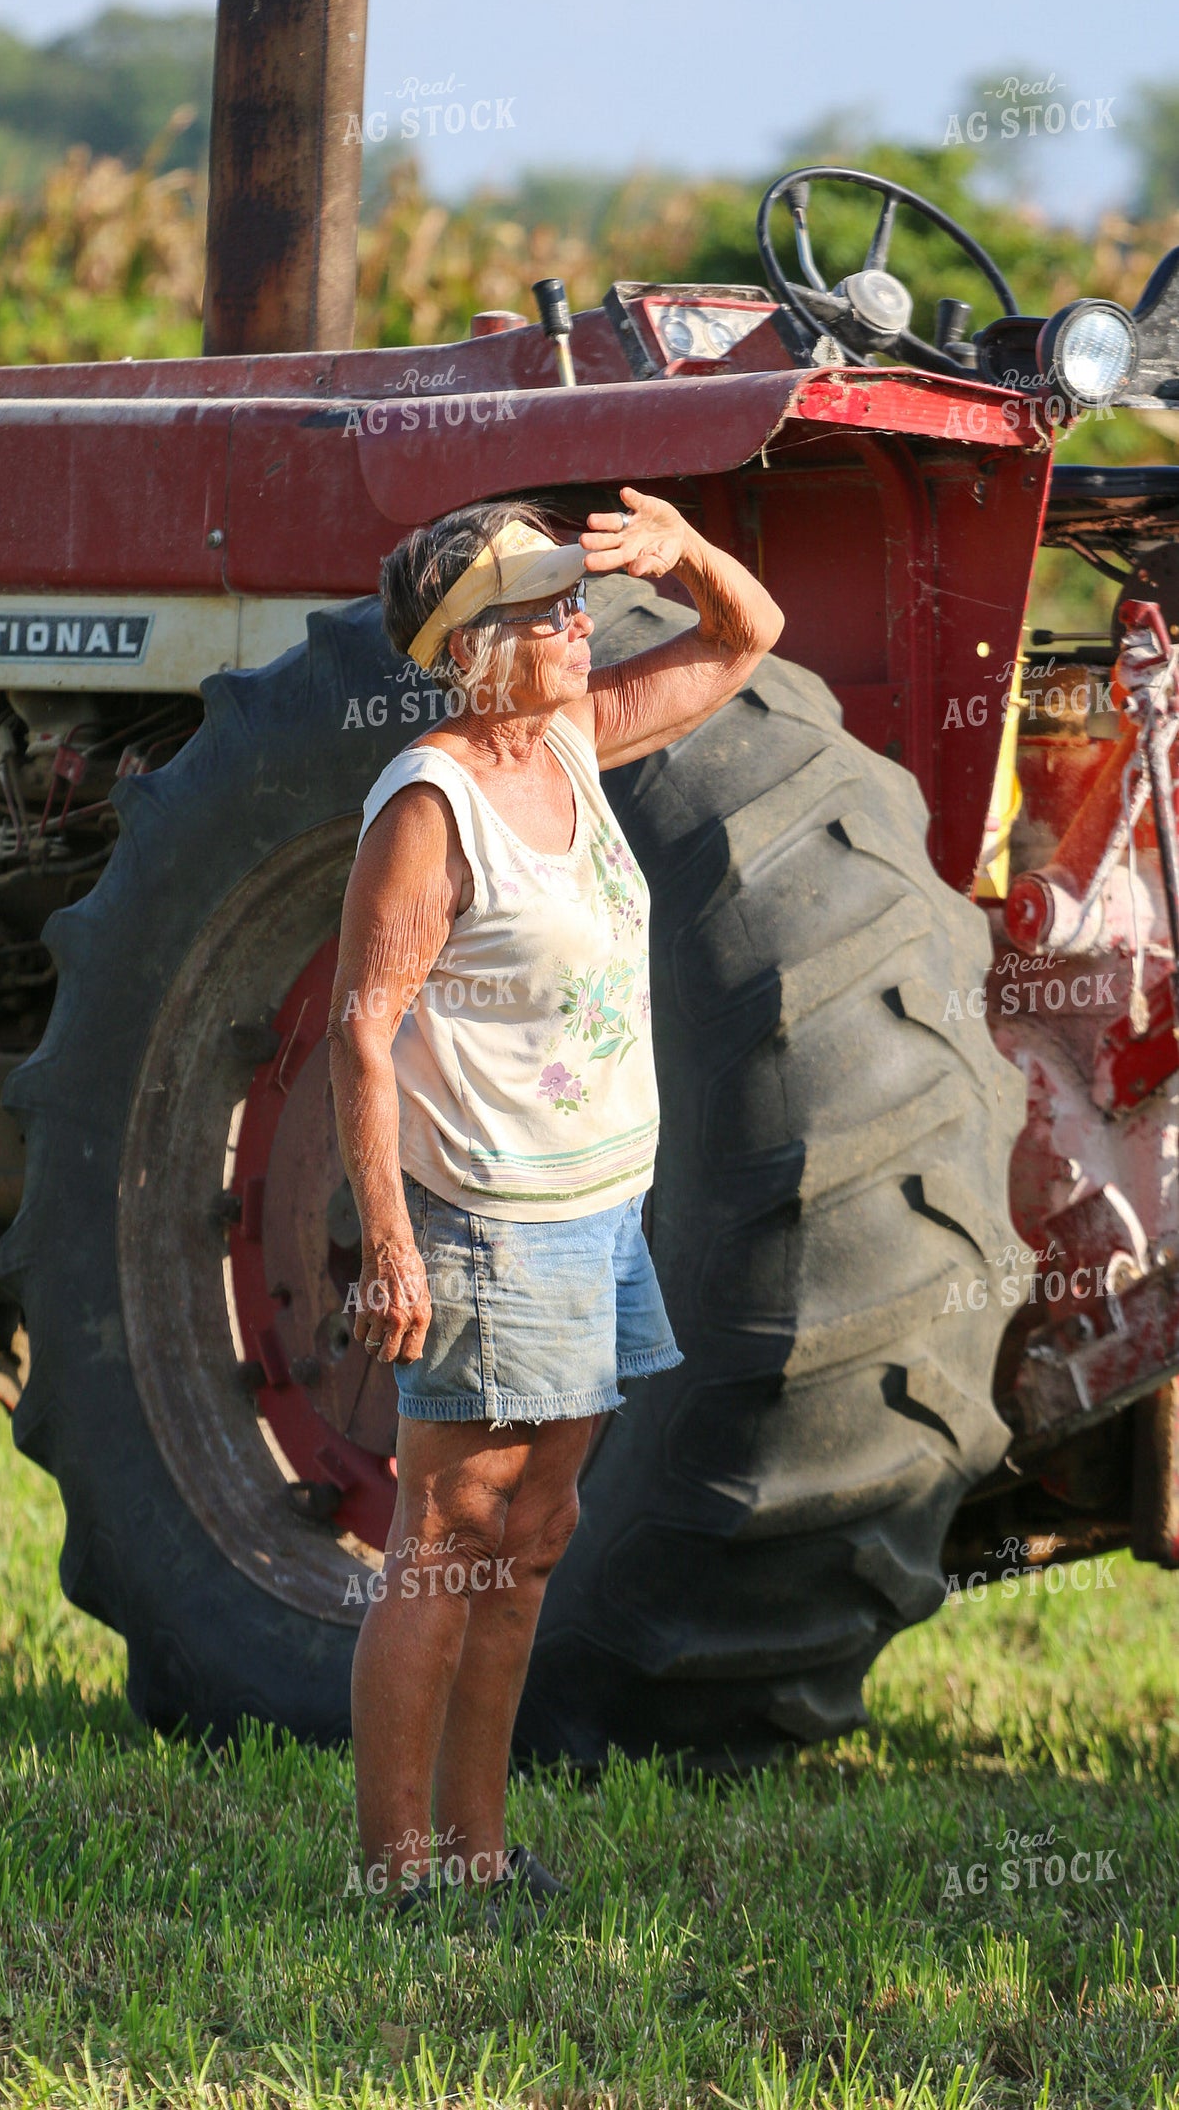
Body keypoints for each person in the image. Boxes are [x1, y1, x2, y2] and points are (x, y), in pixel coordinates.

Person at [327, 484, 785, 1922]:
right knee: (446, 1540)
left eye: (575, 599)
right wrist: (392, 1244)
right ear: (475, 651)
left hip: (599, 1215)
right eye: (548, 609)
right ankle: (397, 1868)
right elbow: (361, 1022)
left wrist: (689, 552)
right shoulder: (432, 799)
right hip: (484, 1227)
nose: (581, 622)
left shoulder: (572, 744)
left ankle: (476, 1848)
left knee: (529, 1545)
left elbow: (748, 633)